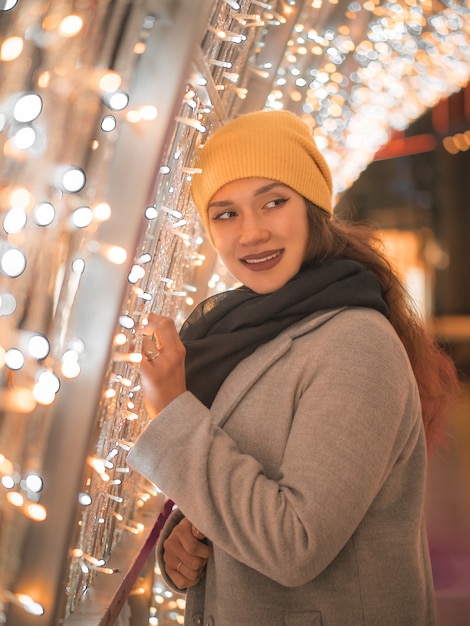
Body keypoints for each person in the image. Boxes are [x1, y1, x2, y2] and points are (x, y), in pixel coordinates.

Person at [127, 110, 459, 625]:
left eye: (274, 202)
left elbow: (295, 543)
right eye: (226, 213)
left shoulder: (355, 343)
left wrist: (172, 407)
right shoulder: (245, 328)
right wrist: (187, 543)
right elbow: (242, 483)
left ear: (311, 208)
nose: (252, 233)